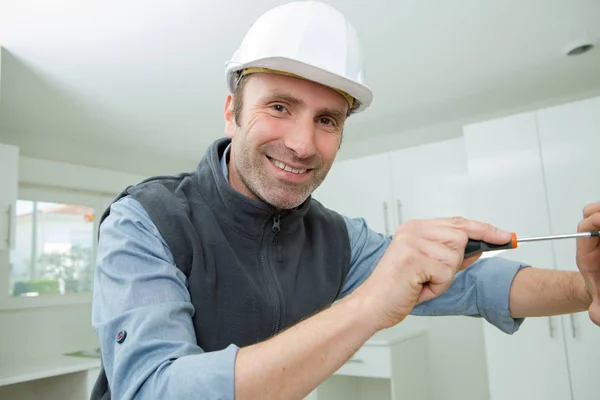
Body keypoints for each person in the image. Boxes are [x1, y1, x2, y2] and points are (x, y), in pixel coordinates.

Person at [90, 1, 600, 399]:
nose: (303, 144)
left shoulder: (337, 239)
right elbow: (155, 390)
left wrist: (587, 291)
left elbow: (475, 283)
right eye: (279, 106)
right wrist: (368, 306)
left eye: (327, 119)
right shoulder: (146, 220)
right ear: (232, 111)